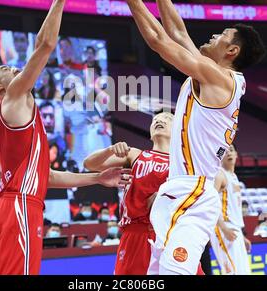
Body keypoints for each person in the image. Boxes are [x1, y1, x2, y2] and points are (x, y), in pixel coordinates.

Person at [104, 0, 266, 274]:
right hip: (178, 189)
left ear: (232, 50)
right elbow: (177, 31)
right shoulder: (211, 74)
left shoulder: (220, 78)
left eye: (221, 34)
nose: (213, 35)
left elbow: (159, 42)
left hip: (193, 191)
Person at [0, 0, 131, 275]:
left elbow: (46, 175)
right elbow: (46, 46)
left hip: (20, 204)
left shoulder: (20, 111)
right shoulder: (12, 99)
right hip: (19, 206)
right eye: (7, 71)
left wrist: (96, 179)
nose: (16, 70)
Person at [84, 113, 203, 275]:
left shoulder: (187, 164)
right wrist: (110, 149)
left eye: (167, 119)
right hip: (137, 233)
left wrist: (164, 199)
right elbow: (90, 164)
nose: (159, 120)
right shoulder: (135, 154)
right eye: (155, 120)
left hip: (173, 234)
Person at [211, 144, 251, 275]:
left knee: (243, 271)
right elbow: (210, 203)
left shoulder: (234, 176)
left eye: (231, 150)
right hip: (223, 227)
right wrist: (223, 228)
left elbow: (233, 209)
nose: (228, 153)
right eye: (225, 151)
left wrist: (242, 236)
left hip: (235, 229)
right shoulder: (219, 175)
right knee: (232, 272)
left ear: (236, 154)